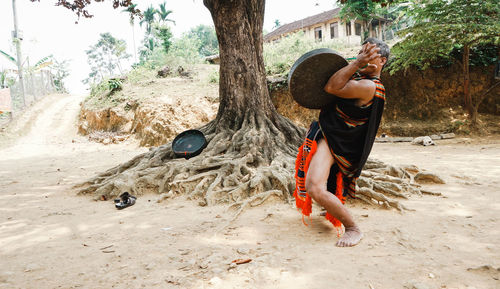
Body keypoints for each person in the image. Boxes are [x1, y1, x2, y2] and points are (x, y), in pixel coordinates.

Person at [294, 38, 389, 247]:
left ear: (381, 61)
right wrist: (355, 65)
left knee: (314, 187)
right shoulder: (357, 77)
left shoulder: (369, 86)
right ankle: (332, 208)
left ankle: (353, 228)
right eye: (360, 53)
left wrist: (355, 63)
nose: (361, 57)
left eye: (368, 55)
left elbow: (331, 87)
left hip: (337, 141)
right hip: (332, 136)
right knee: (318, 186)